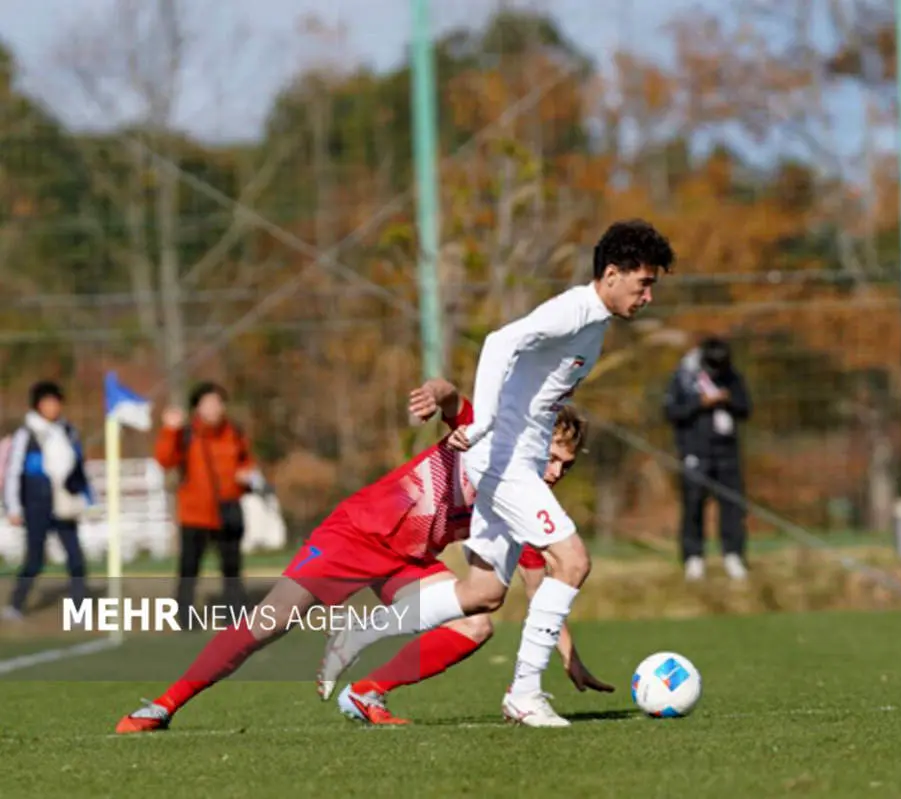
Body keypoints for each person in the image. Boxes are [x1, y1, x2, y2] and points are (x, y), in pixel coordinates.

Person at [319, 219, 675, 727]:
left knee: (482, 593)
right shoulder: (575, 309)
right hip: (504, 462)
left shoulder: (596, 324)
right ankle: (525, 694)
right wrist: (483, 418)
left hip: (516, 461)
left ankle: (363, 631)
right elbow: (499, 341)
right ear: (612, 274)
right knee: (572, 562)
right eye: (643, 284)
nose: (647, 297)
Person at [114, 379, 609, 733]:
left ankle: (367, 691)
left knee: (476, 622)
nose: (556, 472)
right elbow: (451, 397)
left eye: (566, 466)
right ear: (533, 444)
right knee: (269, 623)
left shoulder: (523, 499)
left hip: (408, 560)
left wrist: (569, 654)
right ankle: (163, 704)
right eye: (552, 458)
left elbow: (538, 580)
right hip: (357, 535)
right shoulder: (492, 443)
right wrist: (434, 395)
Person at [155, 382, 262, 622]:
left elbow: (247, 461)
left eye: (218, 403)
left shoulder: (234, 432)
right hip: (195, 513)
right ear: (197, 408)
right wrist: (170, 430)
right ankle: (184, 615)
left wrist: (247, 476)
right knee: (189, 567)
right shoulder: (186, 434)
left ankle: (234, 615)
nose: (214, 409)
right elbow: (165, 459)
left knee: (232, 568)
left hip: (229, 509)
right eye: (208, 404)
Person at [2, 381, 93, 622]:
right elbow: (13, 472)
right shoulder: (26, 434)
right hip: (36, 505)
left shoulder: (68, 432)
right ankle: (15, 604)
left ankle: (78, 612)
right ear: (38, 405)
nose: (52, 407)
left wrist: (88, 498)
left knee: (76, 559)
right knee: (34, 559)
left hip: (64, 504)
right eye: (47, 402)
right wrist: (12, 506)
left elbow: (79, 469)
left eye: (56, 402)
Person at [663, 336, 752, 581]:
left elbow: (746, 408)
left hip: (727, 452)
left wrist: (727, 399)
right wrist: (700, 403)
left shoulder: (732, 377)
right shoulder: (685, 378)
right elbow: (671, 411)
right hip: (695, 451)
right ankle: (694, 559)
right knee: (693, 506)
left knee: (732, 507)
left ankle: (733, 555)